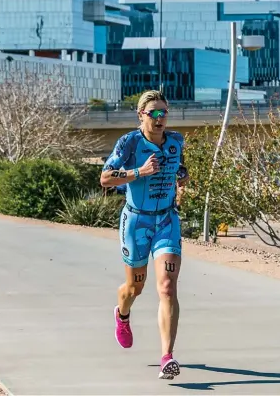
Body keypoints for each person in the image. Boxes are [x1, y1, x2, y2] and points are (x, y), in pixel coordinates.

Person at [100, 90, 189, 380]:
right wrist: (139, 171)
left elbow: (178, 167)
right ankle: (122, 314)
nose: (160, 118)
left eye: (164, 112)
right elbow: (105, 178)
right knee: (134, 289)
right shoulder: (129, 143)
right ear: (141, 115)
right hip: (136, 223)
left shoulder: (176, 140)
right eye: (154, 113)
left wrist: (182, 176)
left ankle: (167, 357)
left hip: (166, 221)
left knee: (167, 287)